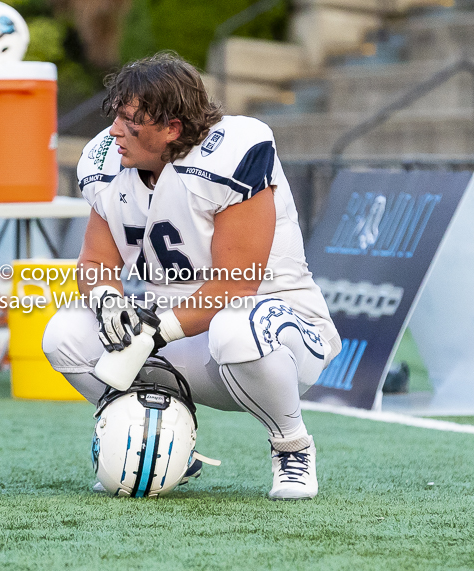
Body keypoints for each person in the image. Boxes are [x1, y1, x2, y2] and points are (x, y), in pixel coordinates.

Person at [42, 53, 342, 500]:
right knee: (64, 333)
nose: (116, 132)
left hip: (277, 333)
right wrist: (108, 300)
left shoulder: (233, 154)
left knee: (235, 328)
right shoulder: (108, 165)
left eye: (132, 121)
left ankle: (291, 445)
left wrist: (157, 330)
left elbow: (237, 283)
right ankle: (167, 444)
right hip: (178, 338)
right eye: (117, 117)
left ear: (172, 128)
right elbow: (96, 262)